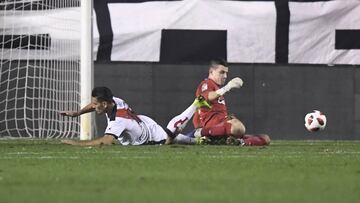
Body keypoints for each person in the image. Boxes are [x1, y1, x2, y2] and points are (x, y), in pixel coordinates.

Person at [61, 86, 207, 146]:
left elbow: (106, 141)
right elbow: (94, 106)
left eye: (95, 103)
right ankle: (199, 139)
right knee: (180, 139)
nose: (93, 106)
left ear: (105, 104)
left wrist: (78, 143)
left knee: (169, 136)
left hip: (152, 138)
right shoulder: (115, 101)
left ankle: (195, 104)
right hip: (144, 123)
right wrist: (78, 113)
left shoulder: (118, 120)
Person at [192, 59, 270, 146]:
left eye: (226, 73)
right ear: (211, 71)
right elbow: (208, 96)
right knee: (238, 127)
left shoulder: (217, 88)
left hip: (222, 126)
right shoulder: (206, 84)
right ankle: (203, 133)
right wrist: (227, 87)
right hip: (212, 126)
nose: (225, 76)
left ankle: (239, 142)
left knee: (265, 138)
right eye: (221, 72)